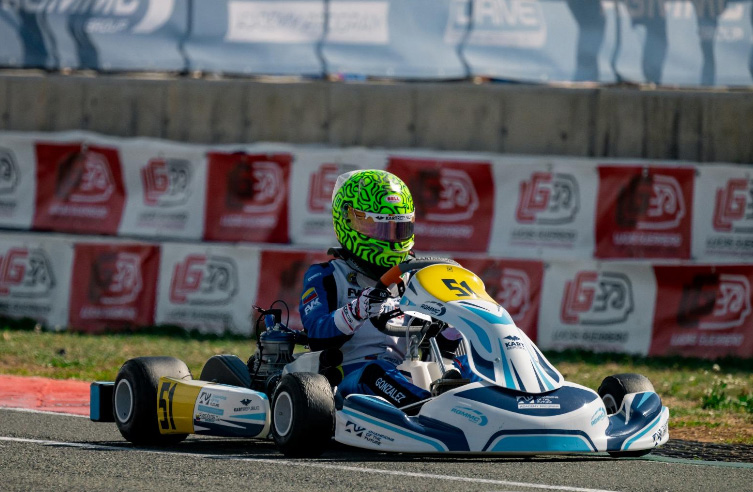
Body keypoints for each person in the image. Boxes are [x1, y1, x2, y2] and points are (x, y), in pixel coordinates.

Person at [298, 169, 458, 408]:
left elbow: (438, 348)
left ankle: (486, 403)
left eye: (398, 229)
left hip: (408, 375)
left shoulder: (417, 276)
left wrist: (452, 329)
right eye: (380, 229)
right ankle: (429, 410)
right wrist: (355, 312)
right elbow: (315, 334)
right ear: (348, 220)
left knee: (465, 363)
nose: (391, 239)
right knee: (376, 371)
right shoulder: (327, 276)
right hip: (347, 382)